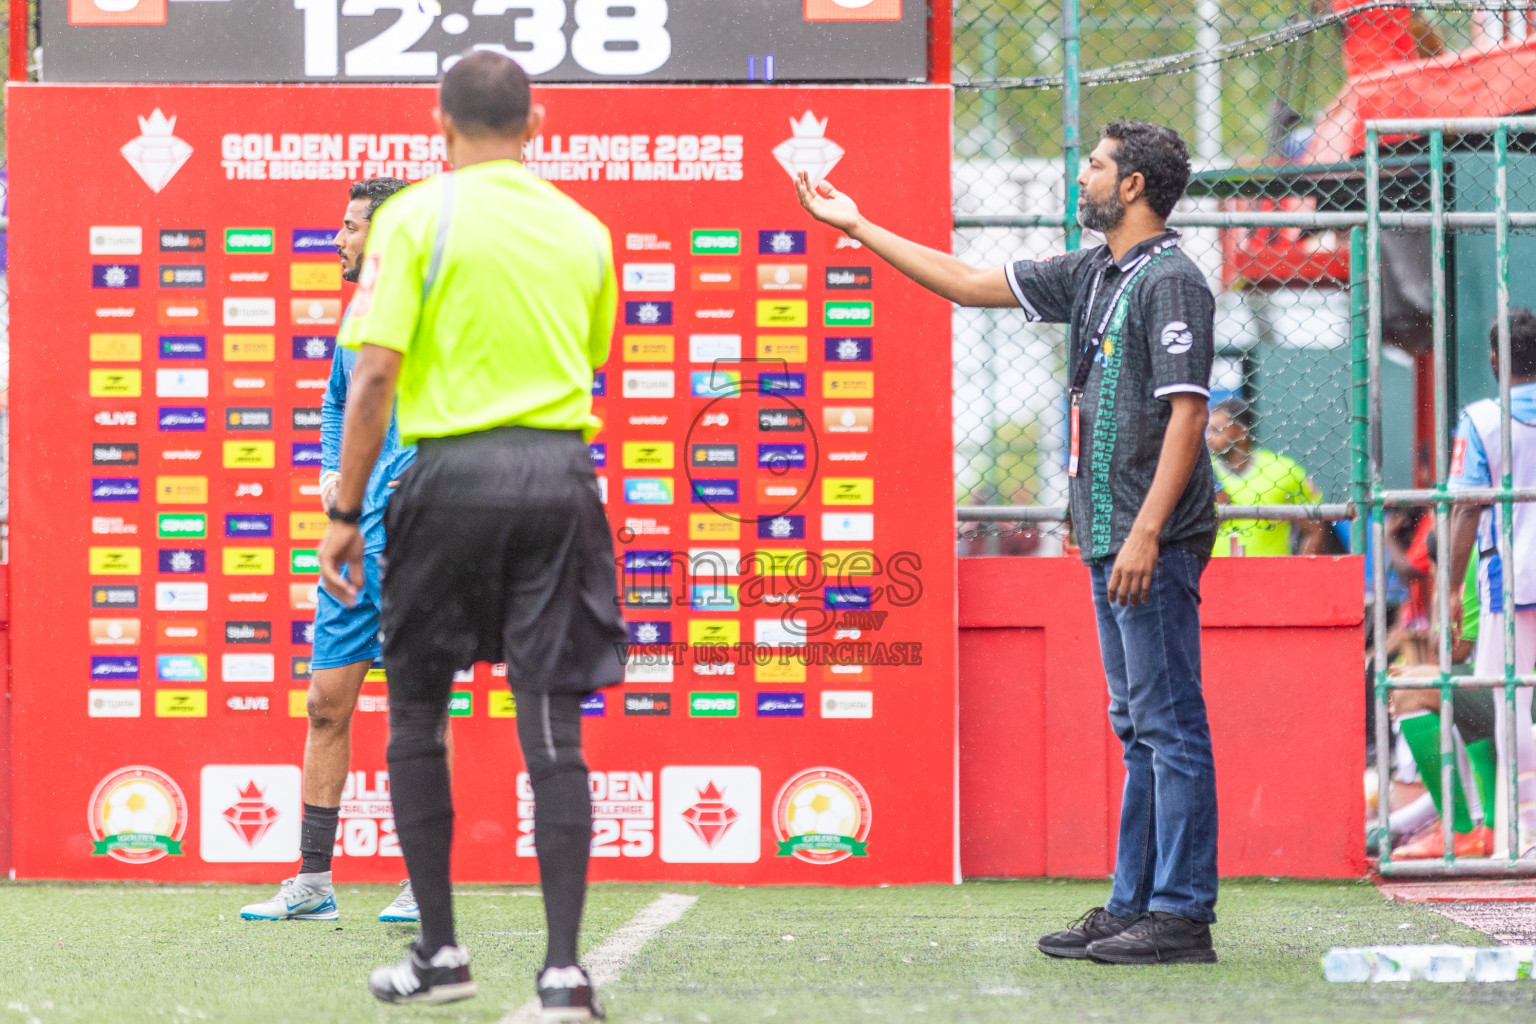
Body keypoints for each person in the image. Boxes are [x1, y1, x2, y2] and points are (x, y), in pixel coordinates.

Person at [798, 120, 1220, 963]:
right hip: (1112, 537)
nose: (1083, 176)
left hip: (1152, 540)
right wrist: (857, 225)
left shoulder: (1172, 280)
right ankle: (1133, 901)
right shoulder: (1096, 272)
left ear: (1132, 185)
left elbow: (1189, 412)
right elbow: (963, 281)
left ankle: (1181, 915)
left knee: (1170, 728)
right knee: (1138, 727)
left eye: (1096, 166)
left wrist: (1143, 534)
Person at [318, 50, 626, 1012]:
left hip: (446, 475)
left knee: (416, 712)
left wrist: (342, 512)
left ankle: (441, 953)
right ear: (534, 129)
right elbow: (590, 356)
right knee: (552, 726)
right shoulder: (585, 229)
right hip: (558, 475)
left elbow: (372, 378)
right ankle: (566, 971)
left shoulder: (414, 217)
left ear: (440, 129)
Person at [240, 176, 422, 925]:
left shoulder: (429, 306)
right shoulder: (358, 309)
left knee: (419, 709)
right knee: (324, 704)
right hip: (354, 536)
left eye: (350, 228)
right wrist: (329, 472)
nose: (337, 239)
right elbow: (337, 399)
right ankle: (313, 884)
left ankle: (423, 882)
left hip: (415, 532)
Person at [1445, 307, 1536, 859]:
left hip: (1512, 579)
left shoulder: (1481, 418)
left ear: (1497, 359)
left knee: (1511, 699)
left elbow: (1465, 509)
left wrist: (1452, 588)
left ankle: (1516, 833)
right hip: (1516, 578)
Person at [1205, 397, 1328, 556]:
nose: (1208, 437)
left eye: (1217, 430)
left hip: (1271, 576)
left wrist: (1300, 574)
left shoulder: (1282, 471)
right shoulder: (1201, 473)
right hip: (1213, 576)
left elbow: (1314, 530)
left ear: (1242, 432)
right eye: (1208, 430)